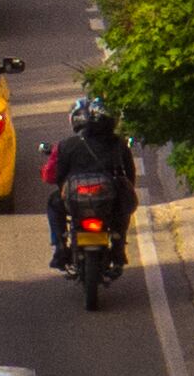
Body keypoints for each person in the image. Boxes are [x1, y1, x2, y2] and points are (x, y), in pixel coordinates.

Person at [40, 94, 135, 271]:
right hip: (108, 197)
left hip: (75, 198)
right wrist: (126, 191)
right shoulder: (118, 143)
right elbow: (130, 174)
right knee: (123, 210)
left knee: (53, 205)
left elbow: (58, 176)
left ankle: (60, 246)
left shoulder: (67, 144)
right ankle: (119, 247)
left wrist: (64, 190)